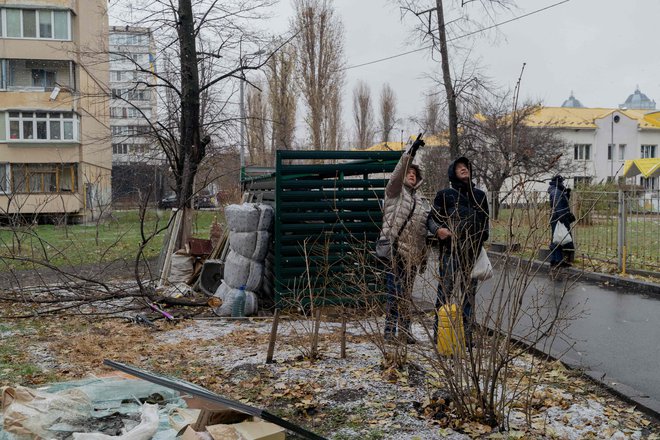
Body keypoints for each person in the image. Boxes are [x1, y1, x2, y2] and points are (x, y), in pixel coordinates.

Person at [427, 157, 489, 344]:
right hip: (450, 252)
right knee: (445, 292)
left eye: (466, 167)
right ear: (452, 172)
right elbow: (431, 219)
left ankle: (466, 335)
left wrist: (481, 236)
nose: (464, 169)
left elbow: (486, 222)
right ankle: (441, 333)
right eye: (459, 167)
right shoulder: (445, 195)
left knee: (469, 295)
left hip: (472, 253)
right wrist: (438, 230)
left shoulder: (480, 196)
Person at [379, 136, 429, 343]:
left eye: (414, 174)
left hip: (413, 257)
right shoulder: (394, 193)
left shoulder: (422, 201)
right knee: (395, 294)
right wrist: (411, 153)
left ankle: (406, 333)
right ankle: (390, 332)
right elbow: (396, 174)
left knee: (407, 297)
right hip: (395, 251)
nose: (410, 175)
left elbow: (423, 230)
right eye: (409, 173)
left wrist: (423, 257)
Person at [548, 175, 576, 268]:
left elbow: (560, 203)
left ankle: (555, 260)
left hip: (556, 218)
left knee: (556, 239)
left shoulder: (556, 191)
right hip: (559, 218)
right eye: (562, 182)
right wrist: (565, 219)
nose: (563, 184)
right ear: (558, 182)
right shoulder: (557, 192)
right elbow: (559, 207)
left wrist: (566, 195)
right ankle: (557, 261)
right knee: (558, 239)